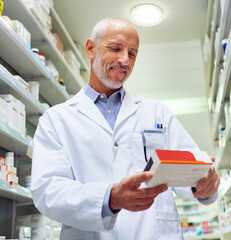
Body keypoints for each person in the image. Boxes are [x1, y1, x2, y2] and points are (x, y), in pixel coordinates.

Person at [31, 18, 220, 240]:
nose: (124, 60)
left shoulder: (157, 113)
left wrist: (205, 182)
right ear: (91, 49)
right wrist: (109, 198)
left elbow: (191, 169)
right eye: (115, 48)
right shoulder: (56, 120)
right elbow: (47, 192)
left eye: (132, 53)